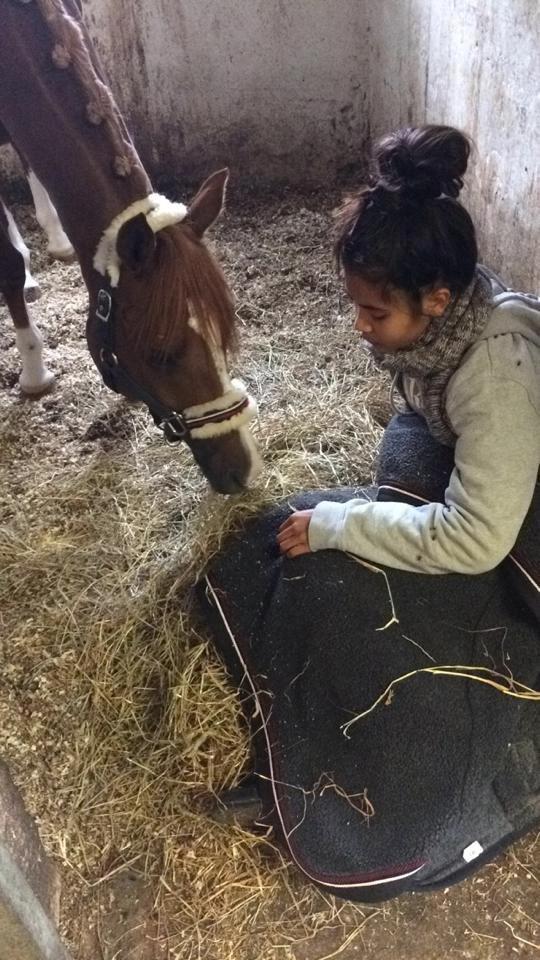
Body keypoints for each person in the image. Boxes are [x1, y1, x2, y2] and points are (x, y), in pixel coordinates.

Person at [277, 124, 540, 576]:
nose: (360, 325)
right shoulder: (444, 328)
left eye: (377, 315)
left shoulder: (493, 380)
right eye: (358, 307)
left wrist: (340, 525)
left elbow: (476, 541)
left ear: (437, 300)